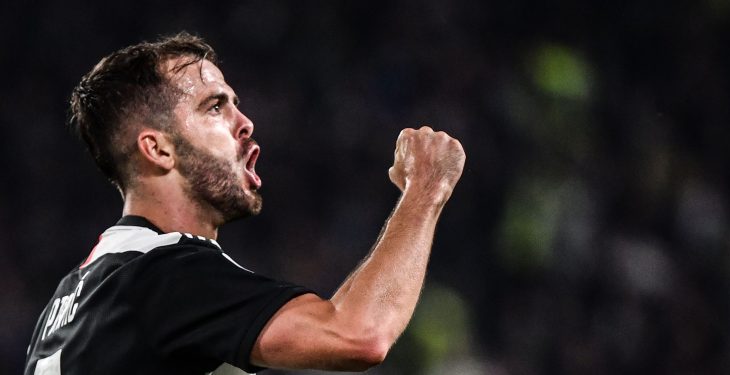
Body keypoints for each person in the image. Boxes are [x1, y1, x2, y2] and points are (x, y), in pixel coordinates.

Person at [24, 32, 465, 374]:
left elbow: (335, 316)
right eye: (215, 107)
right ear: (158, 149)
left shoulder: (69, 300)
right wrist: (425, 188)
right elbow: (360, 335)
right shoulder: (164, 274)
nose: (245, 122)